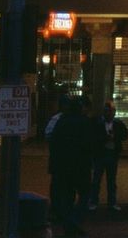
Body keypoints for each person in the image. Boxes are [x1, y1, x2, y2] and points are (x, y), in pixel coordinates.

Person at [48, 96, 92, 237]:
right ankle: (73, 222)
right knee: (85, 195)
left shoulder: (62, 122)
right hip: (81, 167)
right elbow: (89, 145)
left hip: (64, 167)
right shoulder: (84, 122)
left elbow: (53, 143)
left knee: (67, 197)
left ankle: (69, 224)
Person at [89, 100, 128, 211]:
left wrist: (113, 137)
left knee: (107, 180)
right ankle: (105, 202)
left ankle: (101, 202)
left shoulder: (104, 123)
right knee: (100, 180)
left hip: (108, 154)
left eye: (111, 111)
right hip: (103, 154)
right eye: (107, 111)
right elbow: (93, 137)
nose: (109, 114)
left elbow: (125, 135)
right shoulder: (113, 123)